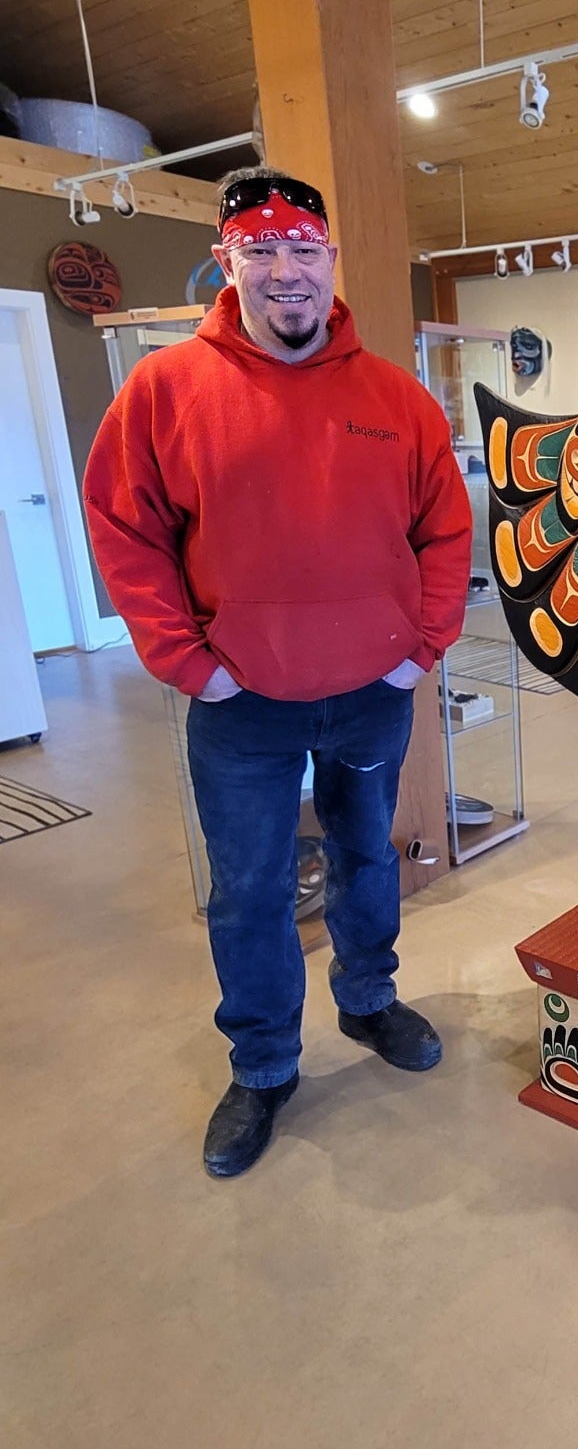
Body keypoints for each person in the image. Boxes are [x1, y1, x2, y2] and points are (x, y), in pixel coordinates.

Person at [83, 167, 472, 1178]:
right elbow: (126, 532)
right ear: (230, 260)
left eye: (304, 250)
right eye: (263, 251)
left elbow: (444, 530)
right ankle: (261, 1066)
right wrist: (188, 664)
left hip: (369, 693)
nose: (287, 272)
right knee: (249, 890)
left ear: (331, 261)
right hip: (240, 704)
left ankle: (370, 1001)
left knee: (369, 861)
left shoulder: (394, 398)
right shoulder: (165, 391)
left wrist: (419, 648)